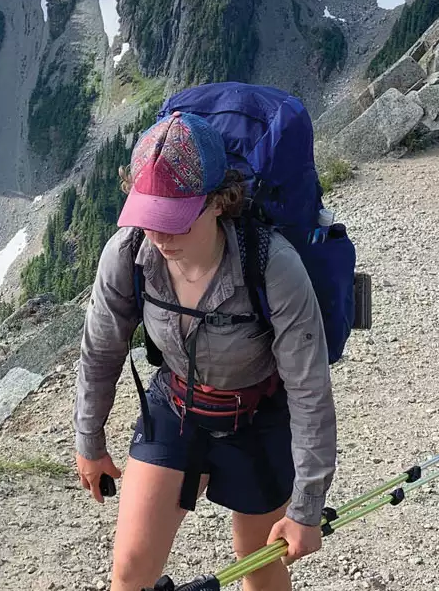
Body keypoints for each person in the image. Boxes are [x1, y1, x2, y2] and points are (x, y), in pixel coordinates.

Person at [73, 111, 337, 591]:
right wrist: (89, 441)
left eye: (174, 219)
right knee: (129, 574)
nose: (159, 235)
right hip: (175, 408)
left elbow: (310, 390)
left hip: (259, 419)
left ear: (220, 201)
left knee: (259, 569)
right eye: (149, 217)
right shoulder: (127, 253)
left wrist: (306, 509)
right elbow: (100, 352)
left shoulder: (274, 266)